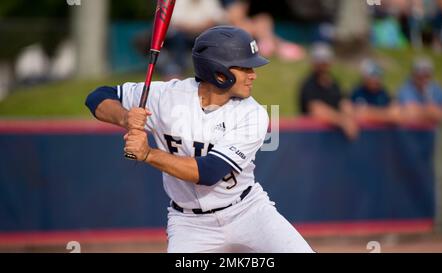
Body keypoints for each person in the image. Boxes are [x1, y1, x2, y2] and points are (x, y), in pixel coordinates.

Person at [86, 26, 314, 253]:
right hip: (190, 225)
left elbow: (208, 172)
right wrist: (126, 117)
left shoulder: (253, 114)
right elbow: (99, 97)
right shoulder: (167, 96)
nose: (253, 74)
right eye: (245, 67)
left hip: (247, 211)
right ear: (219, 71)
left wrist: (148, 154)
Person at [298, 43, 358, 140]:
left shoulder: (334, 83)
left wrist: (349, 118)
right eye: (320, 61)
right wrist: (343, 121)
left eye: (325, 61)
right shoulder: (308, 85)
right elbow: (316, 110)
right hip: (311, 139)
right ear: (314, 63)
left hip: (333, 140)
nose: (323, 65)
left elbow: (344, 104)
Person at [397, 57, 442, 124]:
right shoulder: (406, 89)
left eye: (427, 75)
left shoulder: (436, 87)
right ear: (413, 74)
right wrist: (431, 110)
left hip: (435, 127)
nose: (424, 78)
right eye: (420, 75)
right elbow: (411, 110)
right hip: (414, 129)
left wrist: (436, 112)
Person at [351, 59, 402, 124]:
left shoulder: (384, 93)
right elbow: (358, 114)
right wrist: (386, 114)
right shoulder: (357, 92)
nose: (375, 79)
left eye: (378, 76)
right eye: (372, 76)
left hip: (383, 132)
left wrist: (371, 112)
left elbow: (396, 115)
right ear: (364, 77)